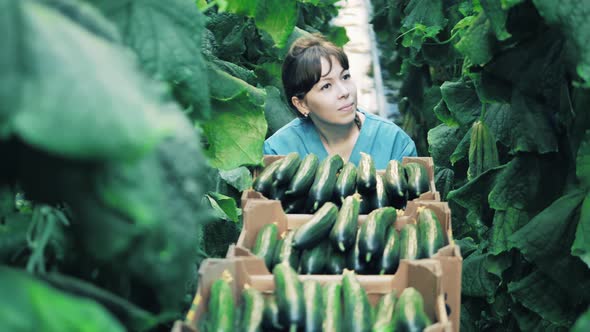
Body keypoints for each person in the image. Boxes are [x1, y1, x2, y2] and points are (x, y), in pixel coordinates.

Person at [263, 33, 417, 169]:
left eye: (345, 77)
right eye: (326, 86)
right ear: (302, 104)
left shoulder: (395, 143)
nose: (344, 92)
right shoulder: (278, 151)